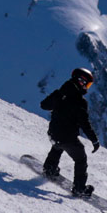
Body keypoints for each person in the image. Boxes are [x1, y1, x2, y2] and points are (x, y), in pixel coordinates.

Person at [39, 67, 100, 197]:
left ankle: (49, 169)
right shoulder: (80, 102)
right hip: (68, 137)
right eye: (87, 84)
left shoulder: (60, 93)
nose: (87, 87)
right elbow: (85, 123)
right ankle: (79, 188)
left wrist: (57, 100)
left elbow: (44, 105)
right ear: (80, 82)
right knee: (81, 159)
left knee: (57, 146)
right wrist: (94, 140)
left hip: (53, 133)